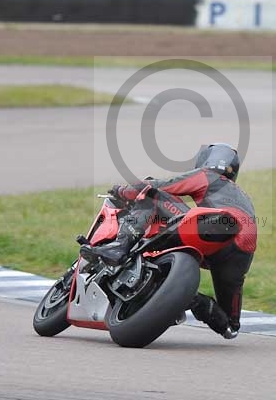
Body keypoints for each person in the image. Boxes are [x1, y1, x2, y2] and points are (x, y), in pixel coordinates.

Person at [80, 143, 257, 339]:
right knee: (230, 326)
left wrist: (123, 191)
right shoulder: (244, 197)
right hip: (241, 252)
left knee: (151, 193)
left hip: (213, 225)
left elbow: (160, 186)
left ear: (207, 160)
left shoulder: (207, 175)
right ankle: (195, 301)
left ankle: (119, 247)